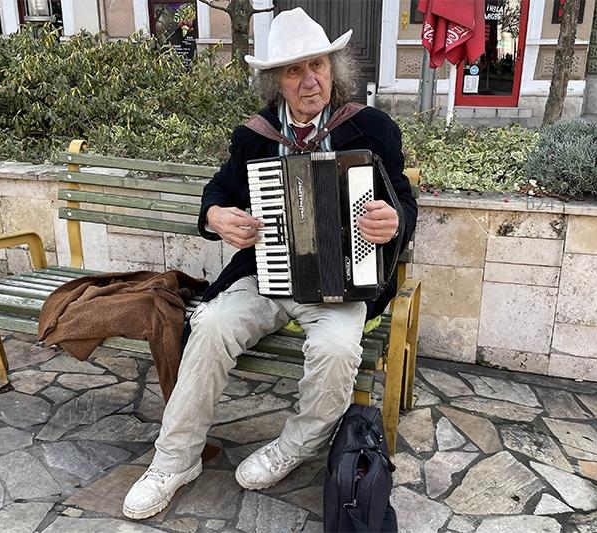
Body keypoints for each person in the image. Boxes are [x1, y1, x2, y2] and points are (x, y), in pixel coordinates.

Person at [122, 7, 417, 520]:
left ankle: (294, 446)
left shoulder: (370, 129)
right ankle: (175, 460)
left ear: (334, 67)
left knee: (336, 347)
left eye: (318, 66)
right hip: (268, 275)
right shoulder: (256, 137)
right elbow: (219, 190)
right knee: (210, 323)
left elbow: (404, 201)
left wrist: (394, 222)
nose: (310, 81)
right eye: (294, 70)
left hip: (342, 283)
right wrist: (216, 215)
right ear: (275, 81)